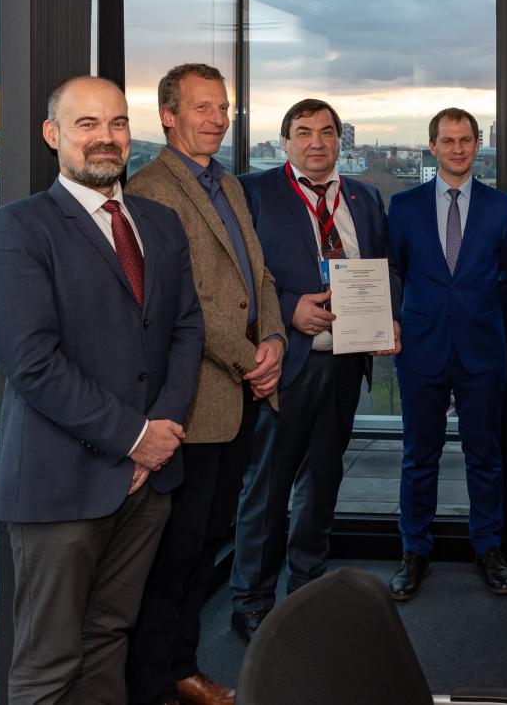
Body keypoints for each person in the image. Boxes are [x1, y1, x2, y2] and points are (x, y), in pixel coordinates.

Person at [0, 76, 204, 703]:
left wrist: (159, 436)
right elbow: (33, 364)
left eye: (118, 123)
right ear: (53, 135)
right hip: (62, 483)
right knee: (48, 663)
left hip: (148, 481)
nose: (106, 137)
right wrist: (135, 438)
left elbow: (186, 330)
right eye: (87, 124)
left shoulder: (160, 224)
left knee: (109, 637)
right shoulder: (15, 229)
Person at [125, 63, 286, 705]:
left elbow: (259, 276)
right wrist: (252, 359)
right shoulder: (150, 188)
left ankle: (181, 667)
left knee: (207, 542)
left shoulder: (229, 184)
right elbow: (183, 302)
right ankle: (157, 682)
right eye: (203, 107)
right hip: (189, 404)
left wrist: (274, 339)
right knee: (174, 556)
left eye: (223, 107)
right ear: (168, 116)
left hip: (235, 397)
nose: (218, 119)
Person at [230, 98, 399, 639]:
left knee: (322, 483)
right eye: (303, 133)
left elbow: (384, 269)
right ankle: (251, 600)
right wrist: (288, 309)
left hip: (347, 362)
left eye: (327, 132)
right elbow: (236, 278)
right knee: (268, 486)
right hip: (288, 363)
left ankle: (306, 591)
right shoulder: (254, 192)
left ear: (340, 140)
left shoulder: (365, 198)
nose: (316, 143)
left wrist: (387, 319)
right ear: (285, 142)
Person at [386, 107, 507, 600]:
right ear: (433, 146)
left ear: (477, 145)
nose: (457, 149)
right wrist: (394, 318)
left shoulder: (502, 206)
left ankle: (488, 548)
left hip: (482, 347)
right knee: (420, 455)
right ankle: (414, 550)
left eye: (465, 140)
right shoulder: (404, 205)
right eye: (448, 140)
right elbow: (394, 269)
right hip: (421, 347)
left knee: (485, 454)